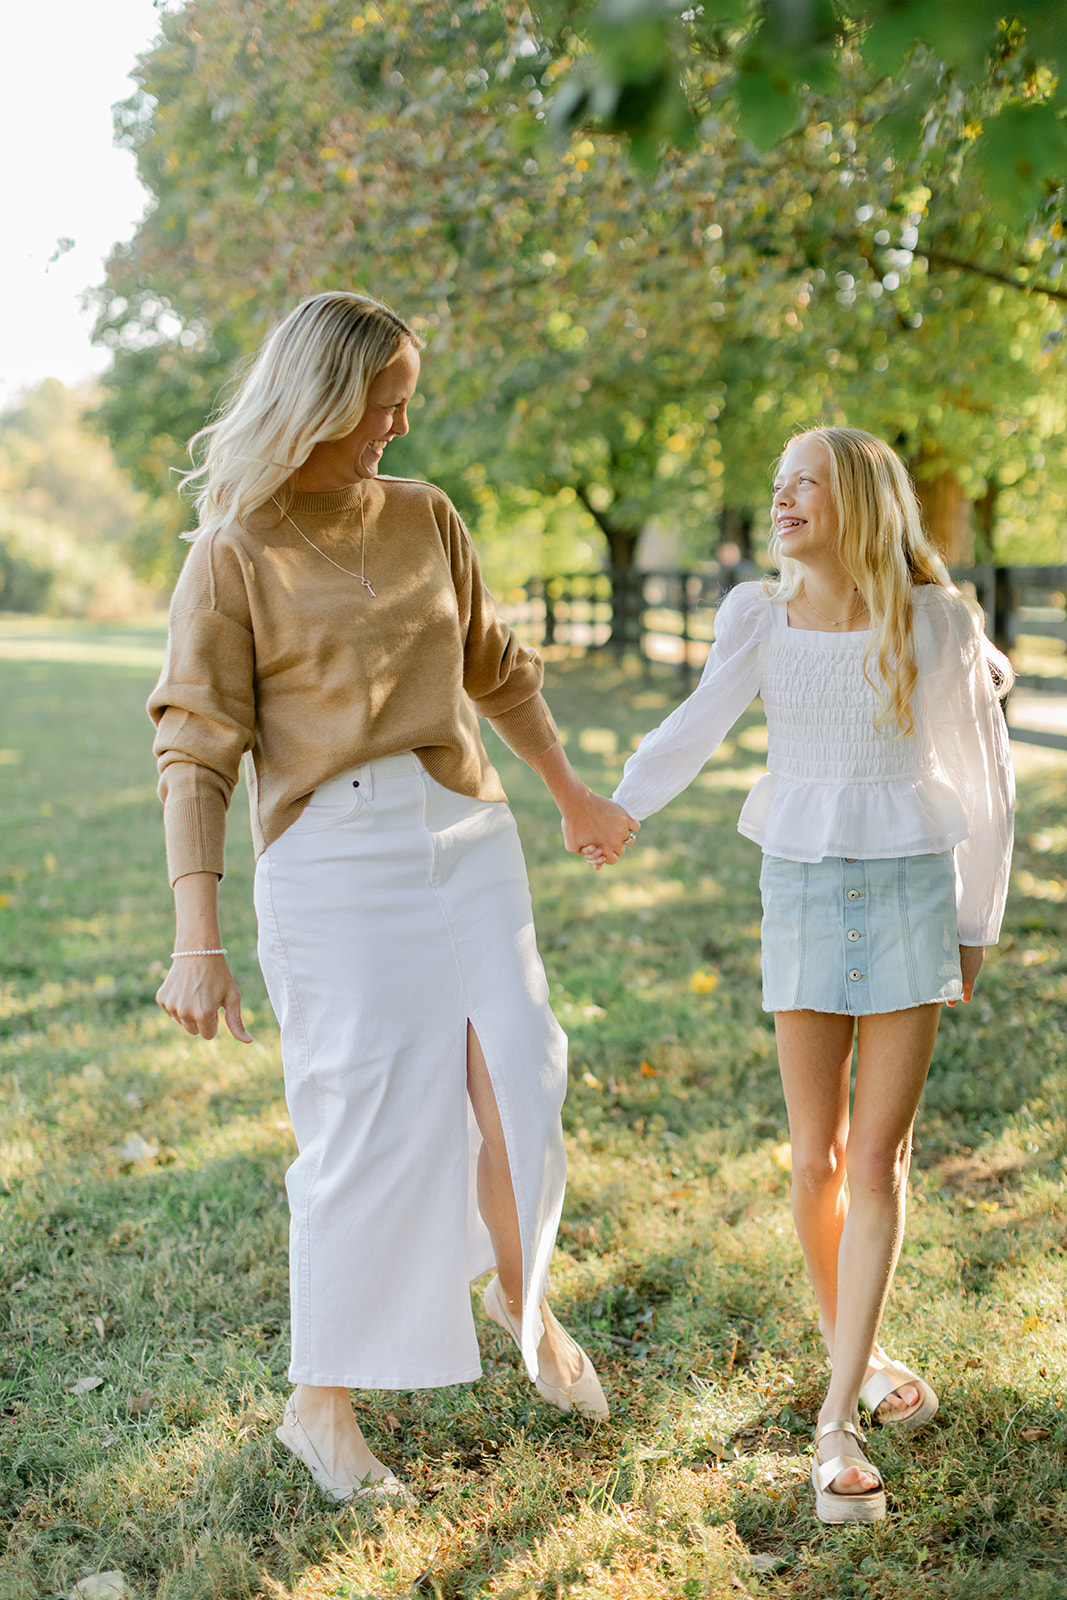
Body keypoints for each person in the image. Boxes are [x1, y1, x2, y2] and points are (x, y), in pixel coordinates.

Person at [149, 291, 638, 1504]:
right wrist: (194, 936)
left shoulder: (425, 516)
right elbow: (195, 750)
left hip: (466, 832)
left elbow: (495, 662)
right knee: (367, 1128)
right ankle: (320, 1409)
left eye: (404, 396)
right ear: (319, 399)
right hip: (334, 859)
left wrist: (570, 792)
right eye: (383, 400)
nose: (399, 423)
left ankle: (520, 1296)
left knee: (520, 1072)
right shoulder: (236, 552)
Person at [607, 426, 1014, 1524]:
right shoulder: (756, 614)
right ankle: (868, 1352)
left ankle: (834, 1415)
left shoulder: (935, 621)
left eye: (805, 482)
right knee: (812, 1154)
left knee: (877, 1157)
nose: (781, 497)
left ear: (860, 501)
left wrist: (973, 920)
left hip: (908, 894)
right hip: (796, 884)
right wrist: (621, 805)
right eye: (775, 479)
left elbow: (983, 780)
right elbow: (696, 724)